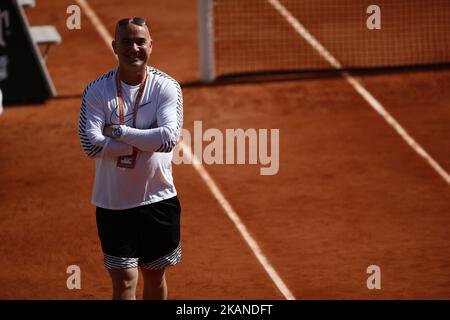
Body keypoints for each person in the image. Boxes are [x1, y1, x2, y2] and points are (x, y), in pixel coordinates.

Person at [78, 17, 183, 300]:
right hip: (114, 202)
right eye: (126, 42)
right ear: (115, 46)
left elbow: (168, 140)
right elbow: (91, 145)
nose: (133, 48)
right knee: (124, 280)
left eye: (140, 41)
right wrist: (143, 139)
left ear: (151, 45)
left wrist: (119, 132)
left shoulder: (166, 87)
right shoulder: (97, 90)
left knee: (154, 275)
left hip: (158, 198)